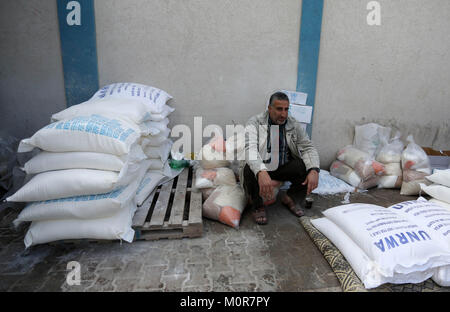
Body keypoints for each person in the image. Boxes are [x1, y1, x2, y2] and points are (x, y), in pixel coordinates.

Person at [239, 91, 320, 225]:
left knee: (304, 165)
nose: (283, 114)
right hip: (263, 165)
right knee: (249, 168)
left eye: (286, 109)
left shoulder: (293, 124)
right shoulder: (255, 122)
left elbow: (308, 147)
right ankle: (258, 206)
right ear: (269, 109)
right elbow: (250, 149)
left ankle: (291, 198)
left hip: (282, 166)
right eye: (279, 109)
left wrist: (314, 170)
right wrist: (260, 171)